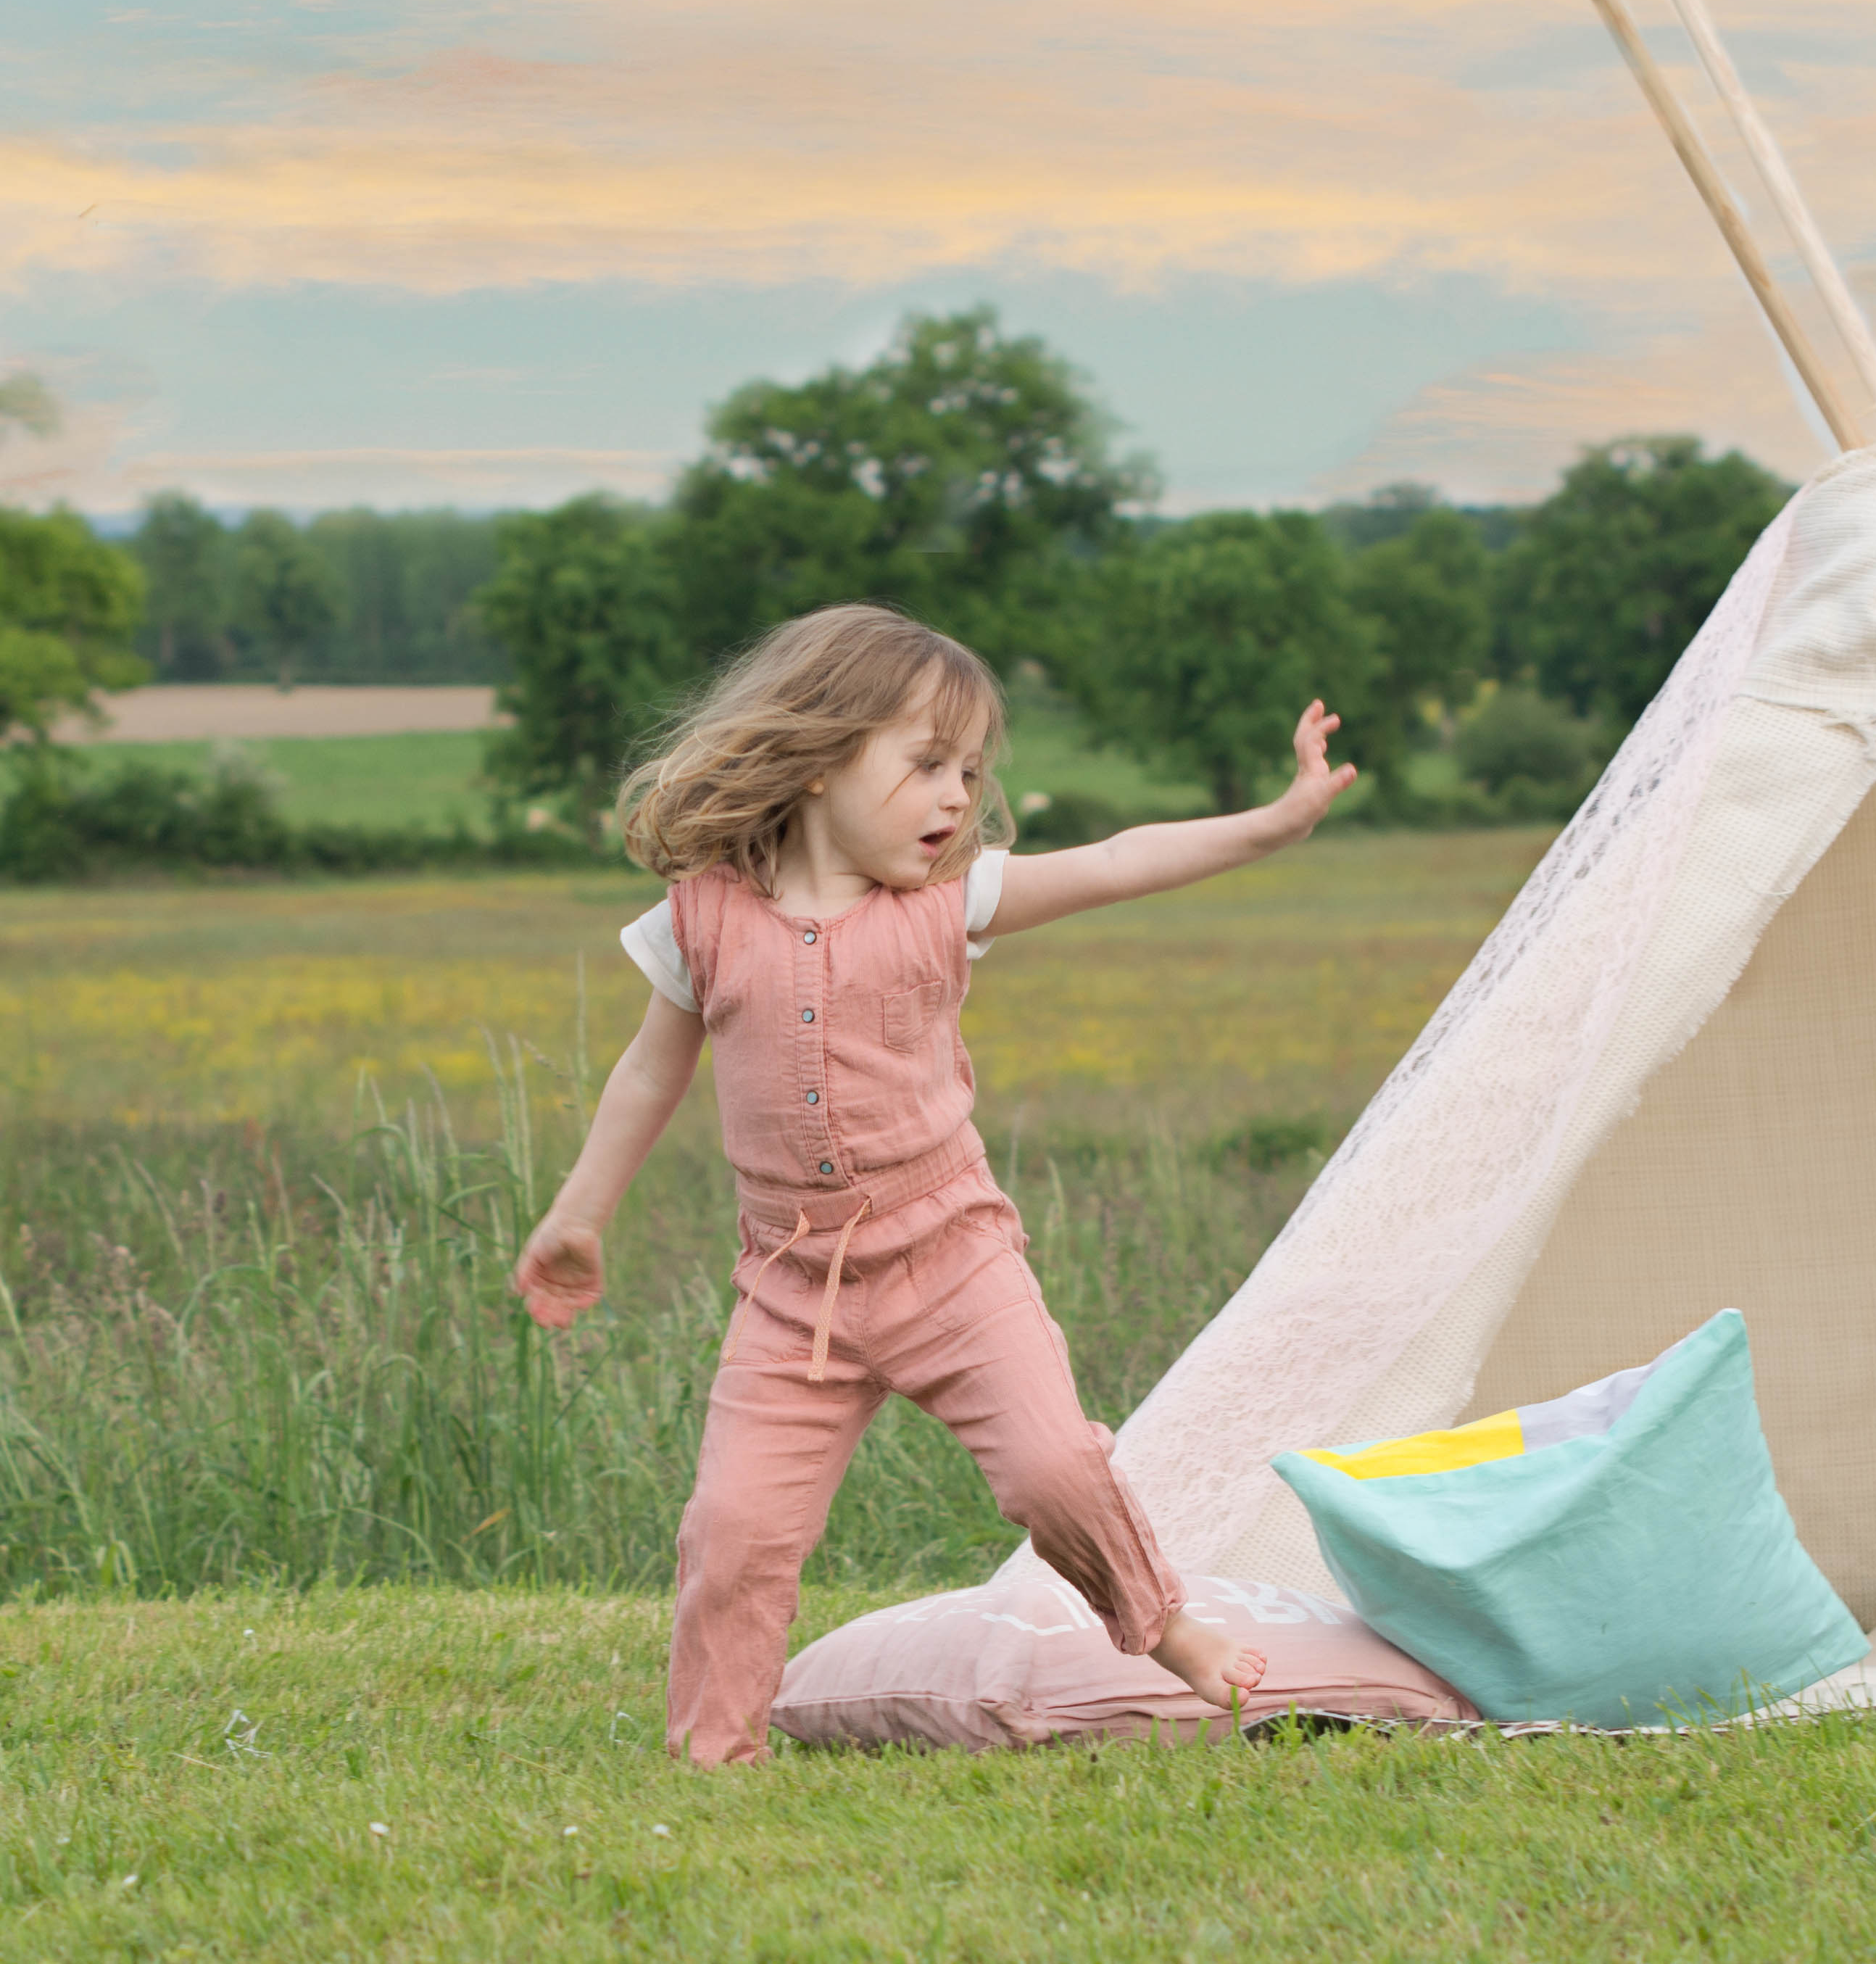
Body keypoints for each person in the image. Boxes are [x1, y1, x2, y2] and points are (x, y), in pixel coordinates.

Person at [512, 604, 1357, 1766]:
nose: (958, 797)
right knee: (735, 1528)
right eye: (925, 767)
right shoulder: (702, 917)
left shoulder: (946, 904)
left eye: (970, 770)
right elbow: (651, 1068)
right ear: (817, 761)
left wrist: (1273, 823)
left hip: (954, 1256)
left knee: (1058, 1470)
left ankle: (1164, 1630)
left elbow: (1116, 862)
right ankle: (715, 1752)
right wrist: (578, 1215)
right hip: (793, 1288)